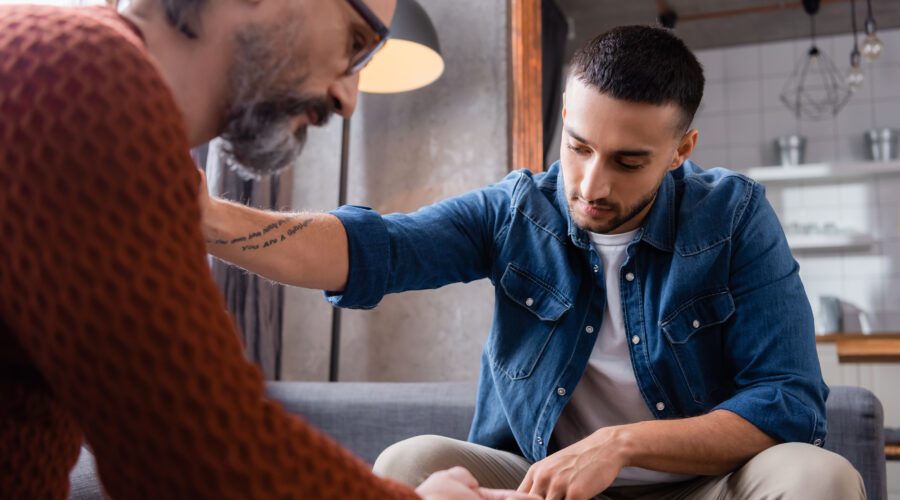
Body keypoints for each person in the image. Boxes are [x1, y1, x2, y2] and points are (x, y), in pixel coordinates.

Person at [199, 26, 867, 500]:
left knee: (821, 477)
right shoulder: (519, 210)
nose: (591, 185)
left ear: (680, 150)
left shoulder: (734, 217)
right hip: (542, 486)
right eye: (578, 147)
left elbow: (788, 403)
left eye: (628, 161)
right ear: (566, 119)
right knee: (409, 461)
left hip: (703, 487)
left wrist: (620, 445)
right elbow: (377, 249)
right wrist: (207, 218)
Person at [0, 0, 537, 498]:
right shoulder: (85, 79)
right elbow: (196, 451)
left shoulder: (87, 78)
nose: (348, 99)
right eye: (355, 43)